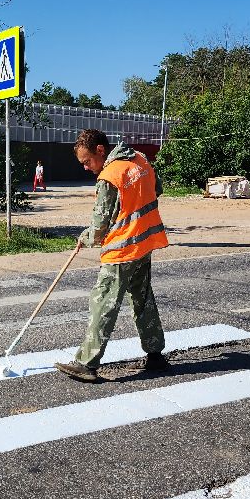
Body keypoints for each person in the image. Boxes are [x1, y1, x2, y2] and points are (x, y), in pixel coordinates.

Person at [55, 129, 171, 383]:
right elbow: (157, 189)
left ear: (100, 150)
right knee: (142, 299)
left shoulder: (109, 176)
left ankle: (86, 363)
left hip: (121, 249)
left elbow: (99, 227)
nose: (85, 167)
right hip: (144, 243)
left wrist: (84, 238)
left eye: (87, 161)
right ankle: (155, 355)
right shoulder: (140, 159)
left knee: (103, 301)